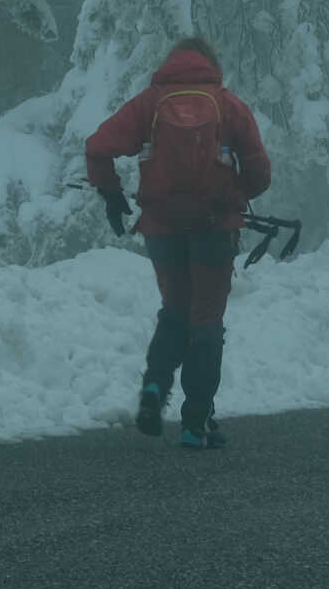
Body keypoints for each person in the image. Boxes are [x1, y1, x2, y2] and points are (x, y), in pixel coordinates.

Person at [86, 36, 271, 449]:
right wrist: (236, 197)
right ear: (210, 63)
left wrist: (112, 195)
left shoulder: (149, 103)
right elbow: (260, 170)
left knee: (175, 310)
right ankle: (195, 422)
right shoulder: (227, 104)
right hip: (213, 229)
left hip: (162, 229)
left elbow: (97, 147)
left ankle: (154, 387)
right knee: (206, 319)